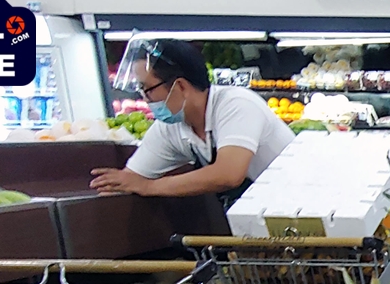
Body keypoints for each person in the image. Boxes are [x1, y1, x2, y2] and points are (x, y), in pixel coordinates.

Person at [90, 39, 293, 204]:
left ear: (180, 86)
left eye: (147, 89)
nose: (145, 98)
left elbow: (228, 174)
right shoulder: (171, 127)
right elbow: (132, 179)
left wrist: (149, 187)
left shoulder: (236, 104)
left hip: (294, 205)